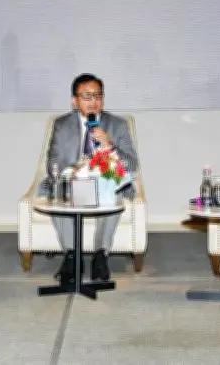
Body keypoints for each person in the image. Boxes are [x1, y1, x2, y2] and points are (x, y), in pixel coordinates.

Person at [40, 73, 139, 284]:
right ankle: (72, 256)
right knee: (58, 191)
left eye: (98, 96)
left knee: (113, 192)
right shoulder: (61, 124)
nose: (93, 101)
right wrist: (74, 172)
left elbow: (132, 165)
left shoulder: (118, 125)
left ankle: (100, 256)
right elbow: (53, 162)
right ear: (74, 101)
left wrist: (109, 146)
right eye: (86, 96)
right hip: (72, 181)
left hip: (106, 183)